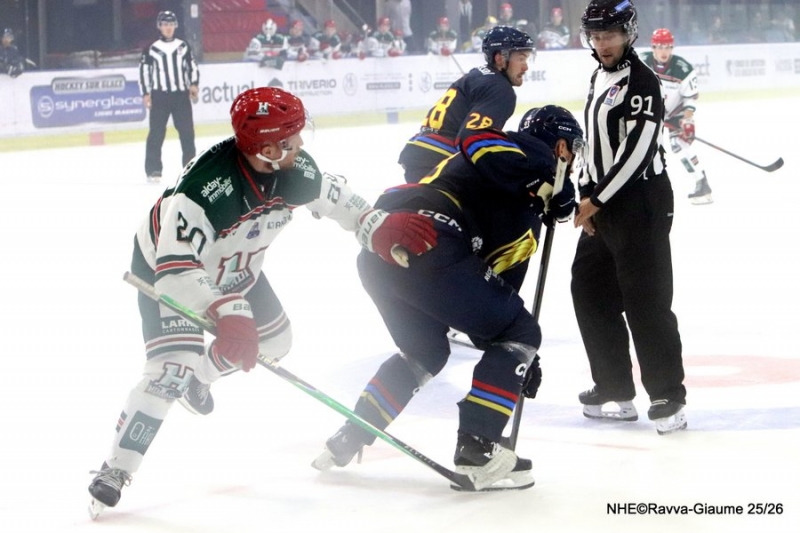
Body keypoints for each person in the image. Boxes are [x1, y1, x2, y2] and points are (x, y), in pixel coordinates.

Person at [86, 87, 438, 518]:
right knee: (168, 371)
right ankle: (115, 469)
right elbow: (175, 271)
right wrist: (226, 312)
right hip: (168, 269)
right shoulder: (202, 194)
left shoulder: (292, 168)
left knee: (276, 342)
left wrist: (372, 223)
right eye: (292, 137)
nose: (302, 144)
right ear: (267, 148)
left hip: (237, 266)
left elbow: (335, 199)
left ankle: (203, 377)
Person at [312, 105, 583, 491]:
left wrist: (512, 363)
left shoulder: (526, 206)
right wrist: (545, 177)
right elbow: (475, 140)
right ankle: (477, 447)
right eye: (571, 151)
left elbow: (491, 301)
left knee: (425, 353)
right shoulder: (531, 151)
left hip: (384, 250)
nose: (571, 161)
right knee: (521, 332)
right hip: (430, 236)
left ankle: (351, 433)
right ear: (560, 146)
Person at [572, 0, 687, 436]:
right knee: (589, 290)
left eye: (611, 35)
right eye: (596, 36)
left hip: (640, 202)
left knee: (646, 299)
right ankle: (614, 387)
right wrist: (585, 192)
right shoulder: (599, 76)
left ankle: (667, 395)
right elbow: (597, 145)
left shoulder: (642, 82)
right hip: (602, 203)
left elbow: (637, 152)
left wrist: (594, 201)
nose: (602, 44)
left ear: (629, 34)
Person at [398, 25, 534, 184]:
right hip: (439, 158)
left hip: (419, 150)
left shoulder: (477, 74)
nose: (525, 67)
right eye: (521, 58)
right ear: (500, 58)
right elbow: (471, 139)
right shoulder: (501, 89)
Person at [640, 28, 712, 204]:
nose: (664, 51)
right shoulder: (641, 62)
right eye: (660, 47)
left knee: (678, 145)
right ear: (653, 47)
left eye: (668, 47)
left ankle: (702, 183)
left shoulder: (683, 69)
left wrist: (687, 120)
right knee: (641, 147)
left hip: (675, 114)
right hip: (650, 111)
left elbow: (690, 98)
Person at [139, 11, 199, 183]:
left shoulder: (183, 45)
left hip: (181, 96)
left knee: (187, 133)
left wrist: (194, 84)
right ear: (159, 26)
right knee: (156, 133)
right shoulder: (151, 48)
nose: (168, 28)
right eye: (165, 24)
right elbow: (144, 72)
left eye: (171, 24)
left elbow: (192, 66)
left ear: (175, 26)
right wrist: (145, 93)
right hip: (160, 96)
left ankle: (190, 167)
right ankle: (153, 170)